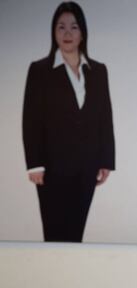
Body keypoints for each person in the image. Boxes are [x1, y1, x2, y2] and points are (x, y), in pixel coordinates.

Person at [22, 1, 115, 242]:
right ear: (53, 32)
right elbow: (31, 119)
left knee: (76, 234)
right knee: (54, 234)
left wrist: (106, 160)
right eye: (61, 27)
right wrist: (34, 164)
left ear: (82, 32)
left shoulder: (98, 71)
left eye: (73, 27)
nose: (67, 33)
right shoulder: (39, 70)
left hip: (88, 166)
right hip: (51, 169)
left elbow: (105, 116)